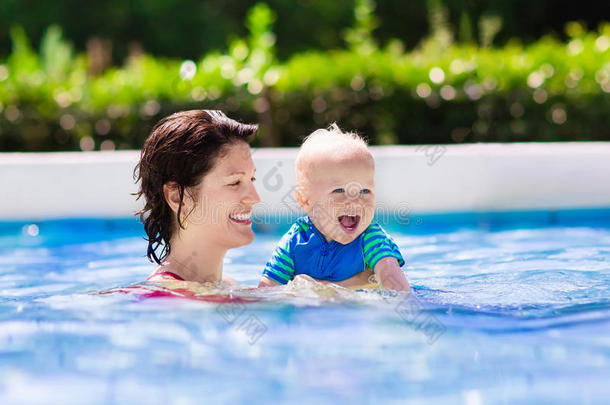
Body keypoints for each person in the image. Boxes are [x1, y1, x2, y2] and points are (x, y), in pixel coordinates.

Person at [258, 124, 411, 291]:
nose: (355, 201)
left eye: (365, 190)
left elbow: (396, 285)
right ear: (305, 200)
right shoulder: (294, 243)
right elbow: (266, 292)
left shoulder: (370, 238)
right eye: (339, 190)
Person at [134, 109, 260, 284]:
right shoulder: (160, 299)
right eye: (235, 182)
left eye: (252, 179)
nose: (254, 198)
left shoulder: (228, 286)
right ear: (178, 198)